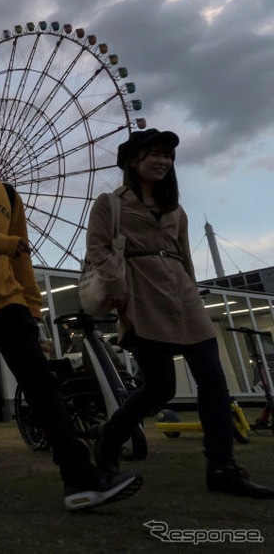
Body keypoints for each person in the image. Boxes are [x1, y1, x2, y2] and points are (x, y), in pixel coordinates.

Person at [0, 109, 141, 510]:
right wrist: (0, 243)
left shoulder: (7, 195)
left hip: (6, 300)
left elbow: (23, 258)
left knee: (42, 386)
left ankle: (79, 479)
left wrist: (33, 308)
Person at [88, 128, 273, 498]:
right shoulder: (111, 204)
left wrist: (192, 291)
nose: (162, 161)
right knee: (159, 389)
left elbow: (185, 257)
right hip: (142, 296)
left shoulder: (177, 211)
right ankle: (109, 439)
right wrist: (118, 289)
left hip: (183, 296)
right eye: (153, 154)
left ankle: (221, 467)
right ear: (132, 161)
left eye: (168, 156)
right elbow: (97, 247)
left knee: (213, 379)